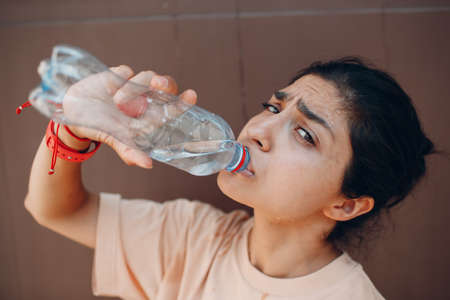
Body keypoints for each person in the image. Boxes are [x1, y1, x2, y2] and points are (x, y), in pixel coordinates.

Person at [24, 57, 435, 299]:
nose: (257, 130)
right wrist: (73, 130)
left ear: (345, 203)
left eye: (305, 135)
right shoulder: (193, 237)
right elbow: (57, 211)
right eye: (273, 108)